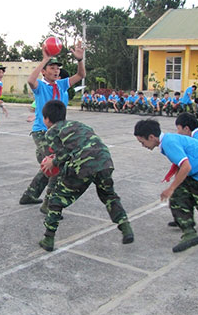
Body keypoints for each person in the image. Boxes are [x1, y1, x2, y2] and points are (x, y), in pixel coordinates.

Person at [38, 100, 134, 251]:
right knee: (109, 195)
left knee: (56, 199)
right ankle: (125, 226)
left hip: (83, 164)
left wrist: (53, 163)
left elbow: (62, 154)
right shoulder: (78, 124)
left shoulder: (52, 131)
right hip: (104, 161)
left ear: (47, 119)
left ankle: (48, 239)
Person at [133, 119, 198, 252]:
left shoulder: (168, 143)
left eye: (142, 142)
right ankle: (189, 231)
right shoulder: (167, 140)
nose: (143, 145)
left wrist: (170, 188)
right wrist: (175, 187)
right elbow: (181, 163)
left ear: (151, 137)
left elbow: (186, 166)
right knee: (178, 196)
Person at [19, 41, 86, 207]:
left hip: (59, 132)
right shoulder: (40, 86)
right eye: (52, 68)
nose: (56, 71)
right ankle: (48, 205)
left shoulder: (62, 84)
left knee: (50, 164)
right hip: (42, 131)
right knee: (57, 164)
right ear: (44, 71)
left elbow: (80, 76)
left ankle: (30, 195)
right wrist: (45, 58)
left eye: (57, 68)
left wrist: (79, 60)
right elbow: (30, 80)